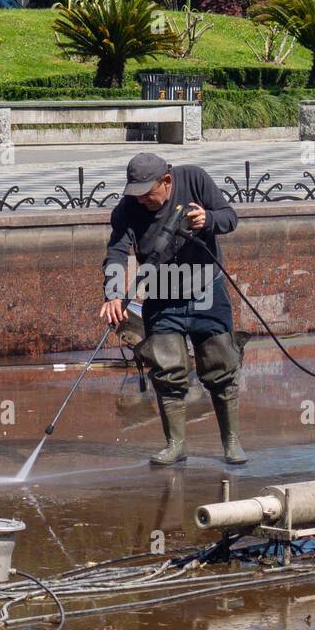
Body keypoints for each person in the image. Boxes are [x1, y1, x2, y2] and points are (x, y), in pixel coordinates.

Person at [100, 152, 247, 465]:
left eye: (147, 195)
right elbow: (116, 250)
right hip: (162, 296)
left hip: (206, 290)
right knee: (167, 370)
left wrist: (209, 219)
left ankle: (231, 442)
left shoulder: (194, 178)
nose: (142, 202)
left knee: (221, 366)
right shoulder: (128, 208)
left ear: (165, 181)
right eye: (135, 195)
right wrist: (113, 293)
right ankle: (176, 444)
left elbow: (229, 217)